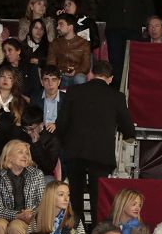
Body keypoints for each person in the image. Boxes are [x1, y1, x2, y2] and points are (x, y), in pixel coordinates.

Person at [57, 60, 134, 223]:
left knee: (75, 195)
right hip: (101, 154)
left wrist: (65, 143)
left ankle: (76, 230)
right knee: (97, 197)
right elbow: (128, 129)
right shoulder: (116, 97)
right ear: (110, 78)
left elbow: (62, 123)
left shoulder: (73, 91)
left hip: (75, 151)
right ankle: (97, 232)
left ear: (90, 74)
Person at [99, 0, 155, 83]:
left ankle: (132, 88)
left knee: (133, 61)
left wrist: (145, 24)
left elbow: (149, 8)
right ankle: (117, 90)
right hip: (114, 31)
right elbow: (102, 9)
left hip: (133, 31)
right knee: (115, 61)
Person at [48, 13, 91, 88]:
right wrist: (59, 72)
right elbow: (50, 63)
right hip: (60, 75)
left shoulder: (83, 43)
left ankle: (80, 99)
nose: (57, 27)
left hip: (76, 75)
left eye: (61, 24)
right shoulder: (55, 43)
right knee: (52, 78)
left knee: (80, 78)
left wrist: (76, 71)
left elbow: (86, 66)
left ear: (70, 27)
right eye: (57, 25)